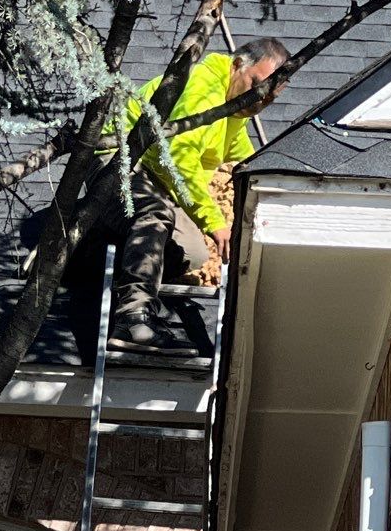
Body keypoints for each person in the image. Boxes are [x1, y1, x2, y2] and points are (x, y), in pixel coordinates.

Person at [102, 37, 290, 355]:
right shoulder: (201, 87)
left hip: (157, 179)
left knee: (192, 253)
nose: (260, 101)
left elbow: (245, 164)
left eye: (270, 98)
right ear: (237, 65)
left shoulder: (233, 113)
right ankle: (133, 318)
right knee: (155, 213)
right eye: (257, 86)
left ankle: (82, 252)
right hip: (119, 160)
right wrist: (214, 222)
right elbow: (177, 159)